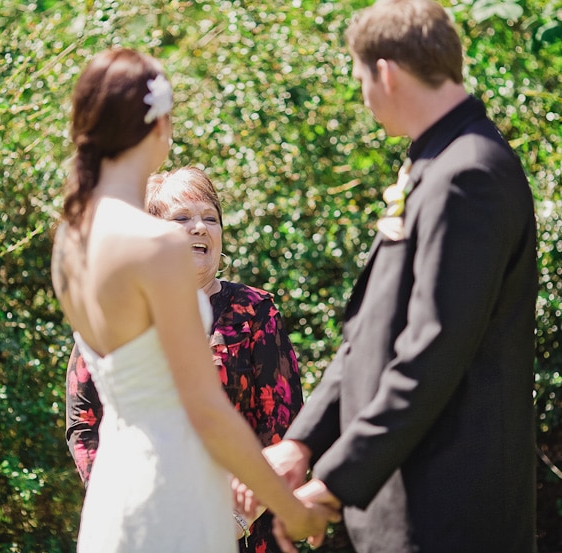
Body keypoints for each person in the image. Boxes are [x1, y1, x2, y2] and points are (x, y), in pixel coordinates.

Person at [262, 1, 538, 552]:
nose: (363, 95)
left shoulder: (469, 175)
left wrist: (333, 486)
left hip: (449, 507)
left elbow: (432, 351)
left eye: (361, 78)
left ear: (385, 72)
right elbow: (373, 331)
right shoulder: (437, 163)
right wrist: (303, 443)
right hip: (411, 500)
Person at [51, 47, 337, 553]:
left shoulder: (72, 239)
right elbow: (206, 411)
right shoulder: (155, 245)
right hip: (175, 496)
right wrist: (291, 509)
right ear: (156, 124)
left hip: (116, 494)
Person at [65, 166, 305, 553]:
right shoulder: (119, 311)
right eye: (182, 218)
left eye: (210, 218)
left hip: (240, 531)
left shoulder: (254, 310)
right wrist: (124, 506)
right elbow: (84, 420)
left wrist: (238, 518)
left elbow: (282, 423)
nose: (199, 227)